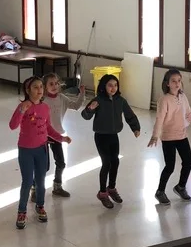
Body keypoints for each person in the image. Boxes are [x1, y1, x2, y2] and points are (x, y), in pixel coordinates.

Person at [10, 77, 70, 230]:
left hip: (41, 149)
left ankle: (40, 205)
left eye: (41, 87)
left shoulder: (45, 107)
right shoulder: (23, 106)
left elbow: (48, 127)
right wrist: (21, 110)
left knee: (41, 181)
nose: (39, 90)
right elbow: (12, 125)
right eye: (35, 87)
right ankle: (21, 211)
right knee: (27, 181)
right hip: (26, 150)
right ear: (28, 90)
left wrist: (61, 138)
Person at [81, 74, 140, 208]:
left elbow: (130, 115)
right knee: (106, 163)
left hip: (114, 136)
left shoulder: (121, 100)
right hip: (101, 136)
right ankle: (102, 193)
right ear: (104, 86)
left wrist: (135, 128)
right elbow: (85, 116)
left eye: (115, 85)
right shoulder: (98, 100)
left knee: (115, 162)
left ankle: (111, 188)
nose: (113, 88)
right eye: (110, 85)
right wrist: (90, 109)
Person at [30, 73, 85, 202]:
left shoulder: (62, 98)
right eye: (51, 84)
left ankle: (57, 186)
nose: (54, 86)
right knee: (43, 166)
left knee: (61, 163)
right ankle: (35, 188)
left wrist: (82, 94)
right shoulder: (42, 100)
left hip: (56, 135)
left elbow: (76, 106)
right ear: (45, 86)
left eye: (56, 83)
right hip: (42, 136)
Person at [148, 69, 191, 204]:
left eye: (179, 80)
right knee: (170, 166)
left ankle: (181, 187)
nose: (177, 83)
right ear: (167, 83)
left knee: (188, 162)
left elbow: (188, 112)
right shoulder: (164, 100)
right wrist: (155, 136)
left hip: (182, 135)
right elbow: (159, 119)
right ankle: (160, 191)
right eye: (173, 81)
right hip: (168, 138)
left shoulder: (183, 96)